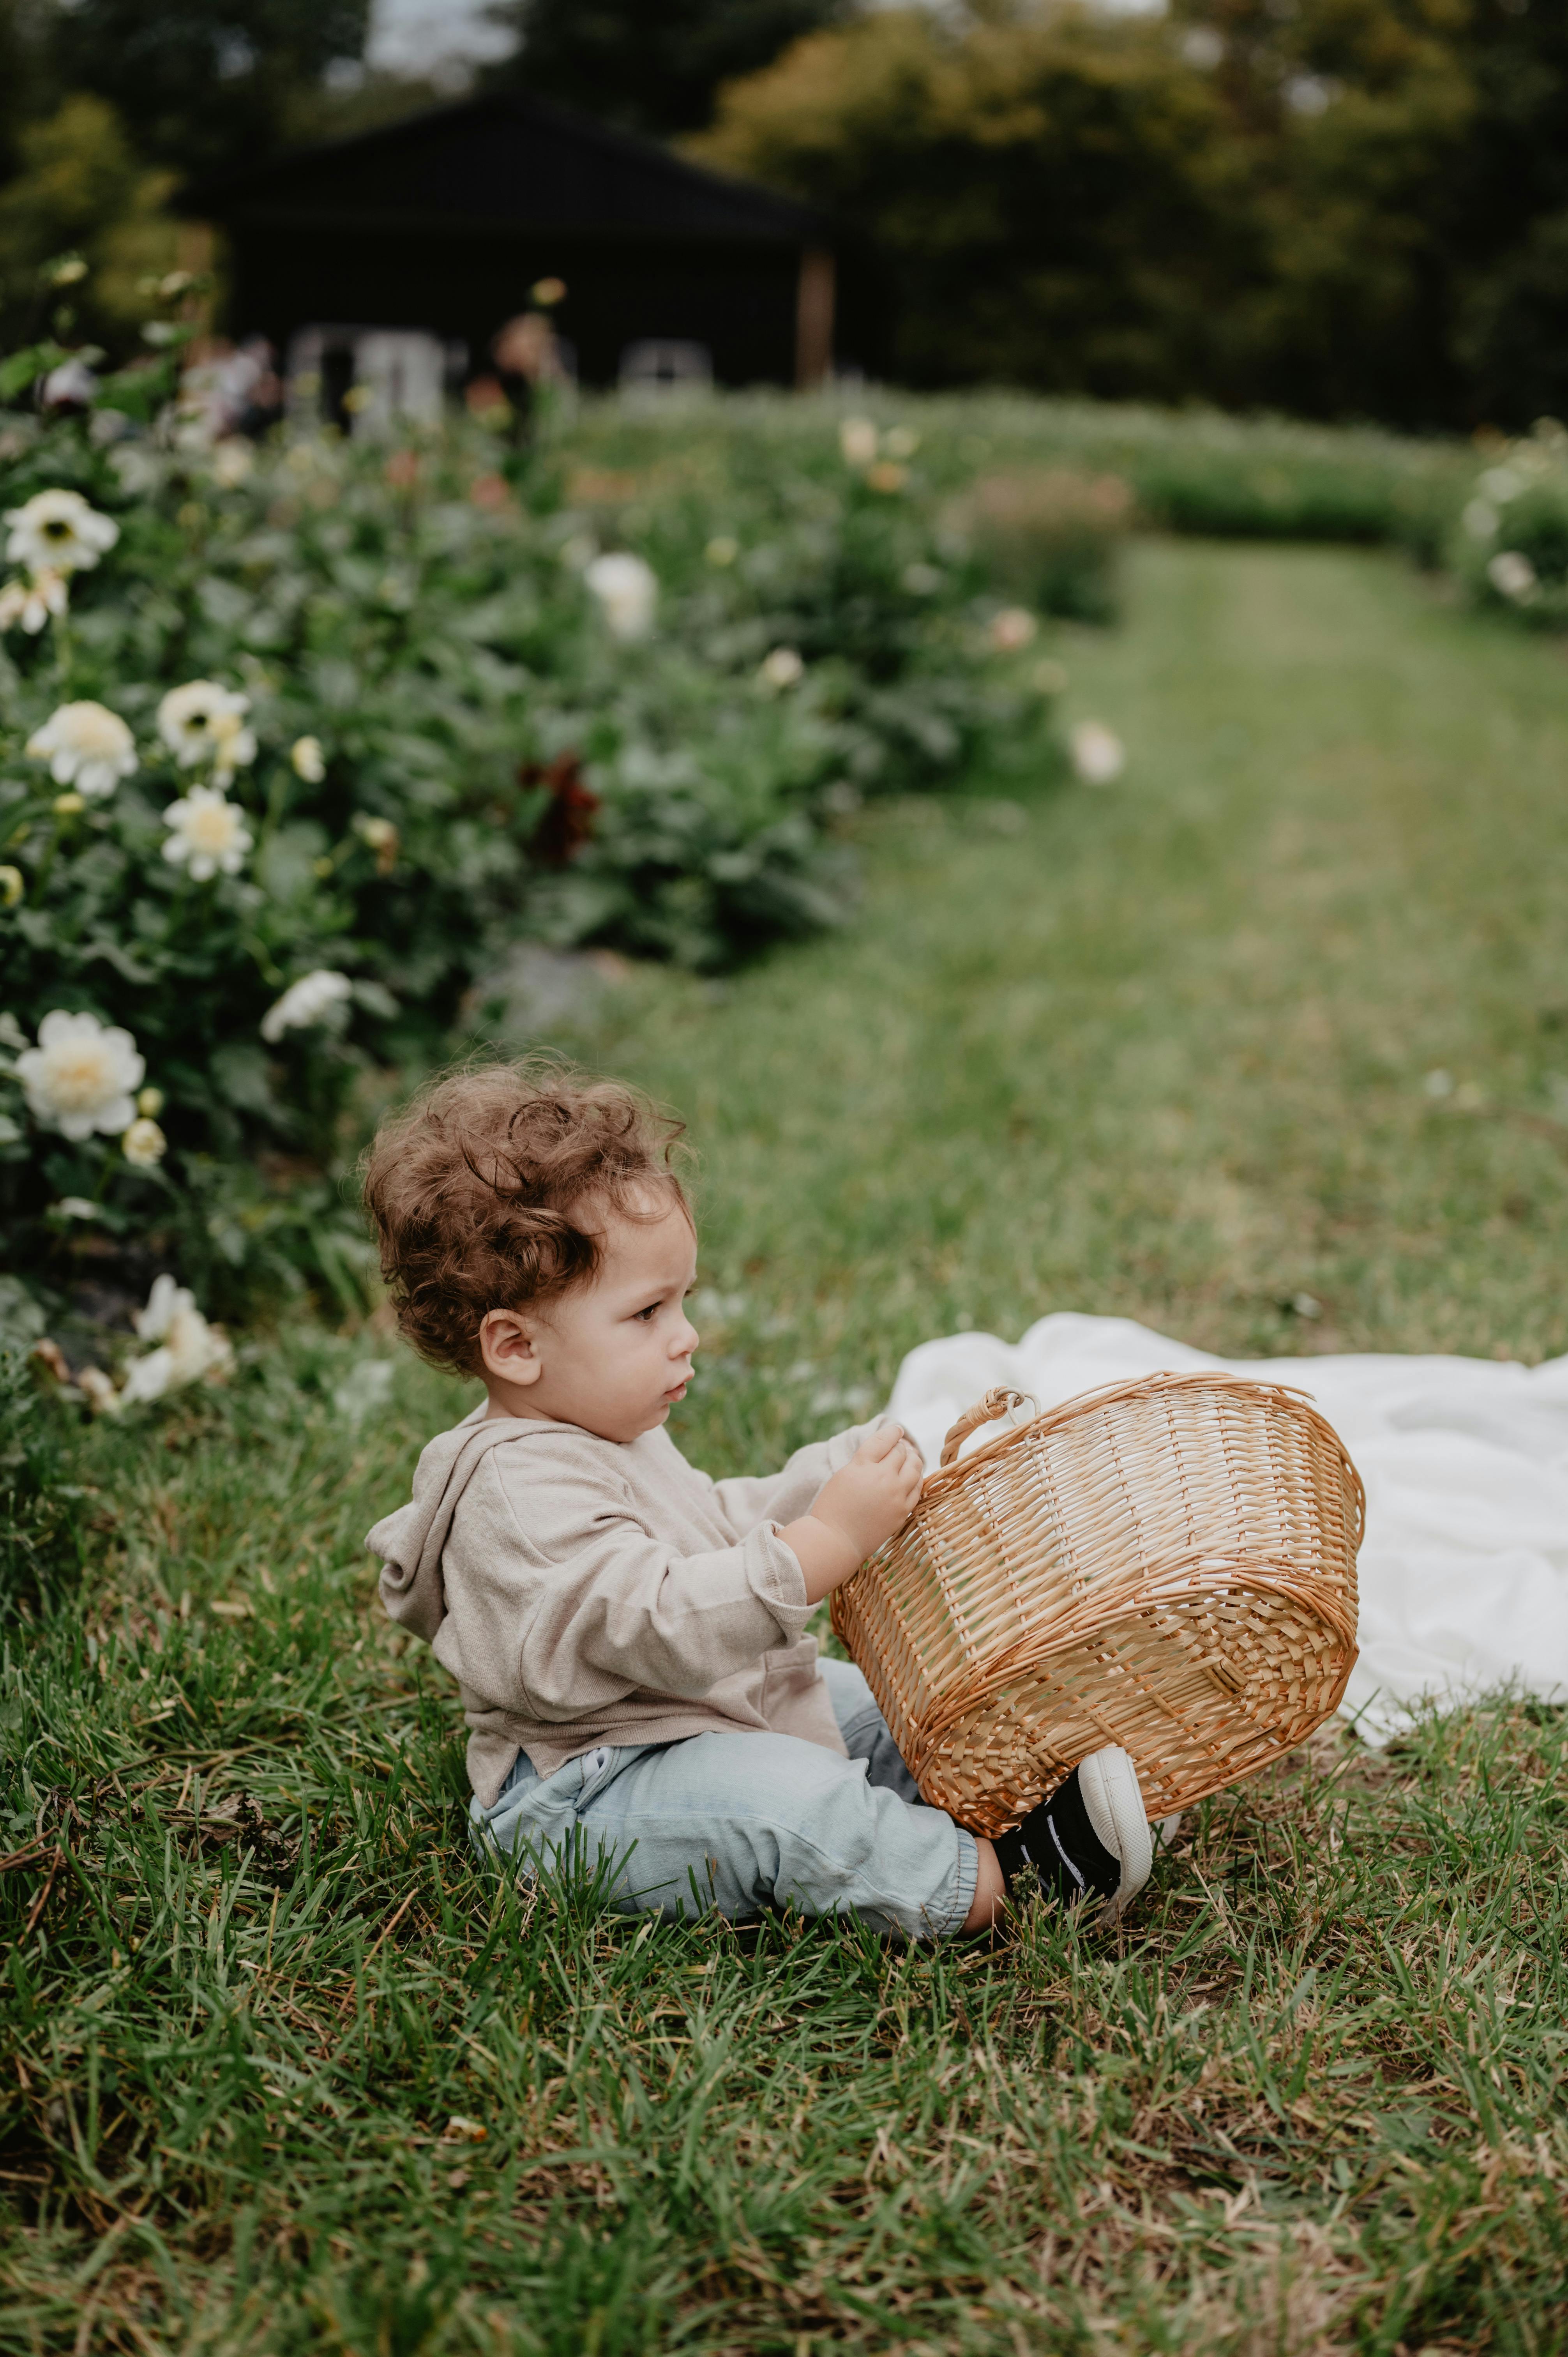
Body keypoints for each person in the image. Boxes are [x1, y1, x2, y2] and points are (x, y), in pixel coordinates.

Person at [363, 1062, 1156, 1939]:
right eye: (646, 1313)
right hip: (589, 1790)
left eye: (683, 1302)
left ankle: (1042, 1792)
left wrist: (821, 1481)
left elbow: (704, 1527)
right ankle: (1003, 1885)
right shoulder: (514, 1492)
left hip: (696, 1715)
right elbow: (652, 1619)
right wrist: (821, 1541)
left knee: (880, 1706)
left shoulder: (604, 1423)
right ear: (515, 1347)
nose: (686, 1335)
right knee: (788, 1804)